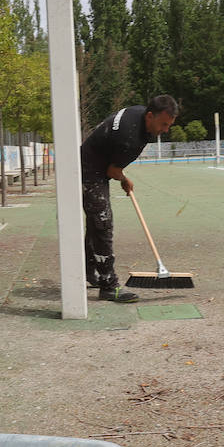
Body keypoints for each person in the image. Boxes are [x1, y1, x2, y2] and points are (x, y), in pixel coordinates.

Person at [80, 95, 179, 303]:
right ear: (150, 116)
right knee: (102, 223)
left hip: (91, 160)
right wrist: (124, 178)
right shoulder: (131, 139)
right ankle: (108, 285)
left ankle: (89, 272)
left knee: (95, 223)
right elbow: (113, 170)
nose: (165, 130)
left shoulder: (139, 112)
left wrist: (121, 176)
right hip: (90, 170)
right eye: (163, 124)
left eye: (169, 125)